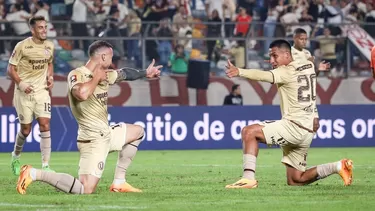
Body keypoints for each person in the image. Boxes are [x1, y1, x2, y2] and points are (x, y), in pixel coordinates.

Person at [16, 40, 162, 195]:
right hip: (93, 140)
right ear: (104, 57)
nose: (112, 62)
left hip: (106, 133)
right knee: (85, 189)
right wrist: (96, 79)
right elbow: (81, 94)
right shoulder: (77, 74)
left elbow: (124, 73)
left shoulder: (106, 75)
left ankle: (119, 182)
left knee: (138, 131)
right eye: (111, 57)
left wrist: (145, 73)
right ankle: (33, 173)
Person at [224, 39, 353, 189]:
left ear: (286, 54)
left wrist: (239, 71)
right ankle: (338, 166)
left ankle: (248, 179)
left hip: (293, 127)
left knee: (249, 132)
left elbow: (262, 75)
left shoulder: (285, 71)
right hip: (307, 131)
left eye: (275, 56)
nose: (272, 60)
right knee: (296, 179)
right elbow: (311, 86)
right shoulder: (309, 66)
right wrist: (315, 114)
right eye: (270, 57)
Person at [7, 16, 55, 176]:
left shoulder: (50, 46)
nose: (44, 30)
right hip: (23, 93)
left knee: (45, 125)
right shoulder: (22, 46)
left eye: (45, 27)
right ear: (33, 30)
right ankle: (16, 155)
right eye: (40, 28)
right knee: (26, 130)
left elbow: (49, 63)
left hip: (42, 92)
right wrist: (21, 83)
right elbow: (10, 69)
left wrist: (50, 77)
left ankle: (46, 165)